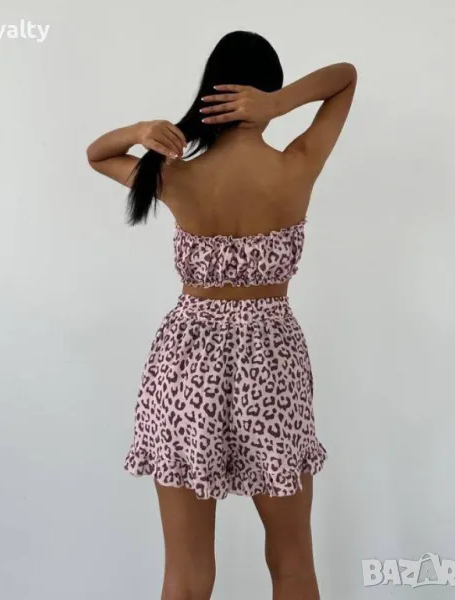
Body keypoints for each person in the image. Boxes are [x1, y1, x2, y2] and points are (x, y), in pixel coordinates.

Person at [87, 30, 357, 600]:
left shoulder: (174, 175)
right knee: (292, 562)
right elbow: (344, 77)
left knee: (185, 575)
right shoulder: (298, 165)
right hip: (272, 357)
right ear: (268, 90)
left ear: (210, 90)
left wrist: (141, 131)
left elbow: (98, 155)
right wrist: (280, 105)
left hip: (186, 359)